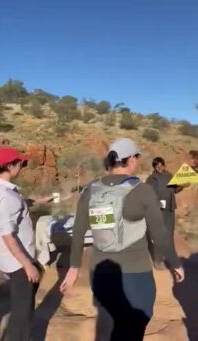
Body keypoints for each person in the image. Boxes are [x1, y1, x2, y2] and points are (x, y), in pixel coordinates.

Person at [60, 138, 184, 341]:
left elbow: (79, 231)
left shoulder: (91, 190)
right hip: (135, 276)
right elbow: (159, 234)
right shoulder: (143, 191)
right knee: (137, 321)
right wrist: (175, 263)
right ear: (132, 159)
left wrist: (74, 268)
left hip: (99, 275)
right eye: (137, 157)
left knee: (120, 320)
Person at [0, 147, 42, 341]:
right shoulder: (6, 197)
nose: (22, 166)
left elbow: (6, 213)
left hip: (5, 258)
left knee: (19, 305)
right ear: (10, 165)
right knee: (23, 315)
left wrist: (28, 203)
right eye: (20, 162)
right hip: (18, 262)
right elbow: (8, 235)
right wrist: (28, 265)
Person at [146, 157, 185, 270]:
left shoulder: (169, 176)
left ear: (164, 165)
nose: (160, 168)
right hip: (158, 211)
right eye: (157, 166)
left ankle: (169, 257)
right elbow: (148, 194)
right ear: (154, 167)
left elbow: (175, 190)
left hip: (170, 210)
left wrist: (182, 186)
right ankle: (158, 260)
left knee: (169, 235)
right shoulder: (151, 179)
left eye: (161, 165)